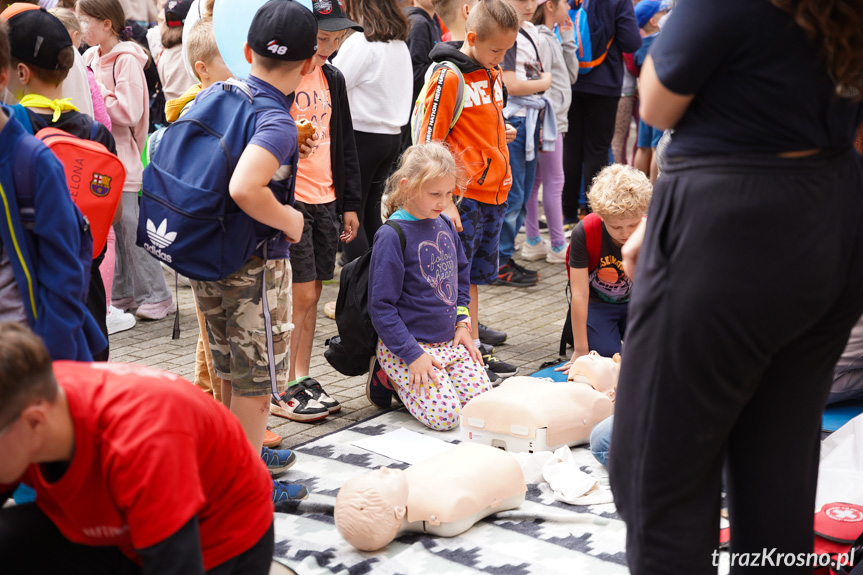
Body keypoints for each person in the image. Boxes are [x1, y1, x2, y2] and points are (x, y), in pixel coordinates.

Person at [608, 0, 863, 572]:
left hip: (736, 232)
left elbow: (657, 103)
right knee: (776, 477)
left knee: (656, 481)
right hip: (831, 212)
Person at [0, 323, 275, 575]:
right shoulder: (25, 402)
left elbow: (177, 566)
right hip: (124, 529)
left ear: (34, 422)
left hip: (217, 543)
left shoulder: (142, 442)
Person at [188, 0, 313, 502]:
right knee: (257, 379)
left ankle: (239, 457)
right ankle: (244, 486)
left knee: (225, 367)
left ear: (245, 50)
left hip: (208, 253)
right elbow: (246, 187)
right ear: (308, 65)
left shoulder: (220, 91)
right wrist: (292, 220)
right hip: (252, 266)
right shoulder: (277, 120)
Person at [412, 0, 520, 383]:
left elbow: (477, 122)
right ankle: (467, 358)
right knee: (457, 281)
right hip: (464, 197)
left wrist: (499, 133)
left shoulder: (490, 71)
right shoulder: (448, 76)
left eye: (507, 50)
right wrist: (445, 201)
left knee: (472, 278)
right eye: (496, 50)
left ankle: (473, 351)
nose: (501, 58)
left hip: (491, 194)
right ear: (472, 37)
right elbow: (428, 143)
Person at [7, 7, 120, 361]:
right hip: (87, 281)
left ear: (21, 72)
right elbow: (109, 216)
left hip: (31, 291)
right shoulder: (95, 131)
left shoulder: (15, 131)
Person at [273, 0, 364, 422]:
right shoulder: (285, 75)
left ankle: (301, 375)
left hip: (328, 198)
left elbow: (344, 142)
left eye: (336, 38)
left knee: (314, 293)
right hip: (292, 200)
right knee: (300, 292)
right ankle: (282, 384)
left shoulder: (333, 78)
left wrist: (350, 204)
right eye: (321, 38)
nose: (329, 46)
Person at [368, 142, 491, 431]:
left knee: (482, 409)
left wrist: (463, 322)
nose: (443, 201)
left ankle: (433, 379)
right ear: (407, 186)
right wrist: (413, 355)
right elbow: (381, 307)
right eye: (435, 194)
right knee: (446, 417)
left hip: (449, 340)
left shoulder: (444, 222)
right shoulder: (391, 235)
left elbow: (461, 275)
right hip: (409, 346)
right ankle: (385, 376)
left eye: (449, 194)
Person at [79, 0, 176, 322]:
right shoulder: (90, 56)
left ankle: (158, 296)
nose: (81, 28)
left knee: (133, 231)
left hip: (124, 159)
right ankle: (124, 292)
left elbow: (130, 111)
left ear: (107, 23)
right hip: (100, 157)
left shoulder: (127, 60)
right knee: (112, 229)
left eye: (85, 21)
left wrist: (98, 93)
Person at [332, 0, 412, 263]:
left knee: (351, 218)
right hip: (389, 138)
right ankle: (377, 286)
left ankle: (361, 294)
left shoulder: (361, 42)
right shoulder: (398, 44)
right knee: (368, 215)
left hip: (360, 138)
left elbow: (334, 83)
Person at [557, 164, 650, 368]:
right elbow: (579, 294)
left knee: (651, 353)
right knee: (604, 359)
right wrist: (581, 351)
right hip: (598, 303)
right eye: (616, 227)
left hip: (636, 302)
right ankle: (590, 335)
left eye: (633, 225)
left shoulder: (652, 228)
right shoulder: (585, 231)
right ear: (601, 216)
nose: (625, 233)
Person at [560, 0, 640, 222]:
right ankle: (593, 214)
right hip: (605, 85)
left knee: (571, 148)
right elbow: (631, 42)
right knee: (598, 150)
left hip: (570, 81)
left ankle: (567, 215)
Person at [495, 0, 552, 287]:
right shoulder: (508, 30)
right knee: (514, 197)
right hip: (515, 121)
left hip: (529, 120)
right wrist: (545, 82)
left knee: (523, 195)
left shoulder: (529, 29)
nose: (529, 5)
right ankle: (499, 262)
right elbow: (510, 84)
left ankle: (504, 257)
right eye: (522, 0)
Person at [520, 0, 577, 265]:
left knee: (540, 183)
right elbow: (536, 83)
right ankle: (556, 244)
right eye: (565, 2)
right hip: (548, 122)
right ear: (551, 6)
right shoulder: (540, 39)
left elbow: (571, 76)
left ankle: (535, 241)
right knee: (553, 182)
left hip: (552, 121)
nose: (569, 6)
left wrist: (567, 39)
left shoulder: (549, 37)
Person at [630, 0, 668, 183]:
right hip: (659, 100)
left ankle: (638, 189)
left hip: (644, 99)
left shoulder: (640, 46)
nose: (666, 13)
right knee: (656, 147)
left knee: (642, 146)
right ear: (654, 20)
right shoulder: (662, 41)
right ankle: (654, 192)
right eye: (663, 11)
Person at [154, 0, 197, 101]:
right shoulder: (192, 51)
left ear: (166, 23)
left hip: (173, 113)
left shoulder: (164, 53)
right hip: (195, 111)